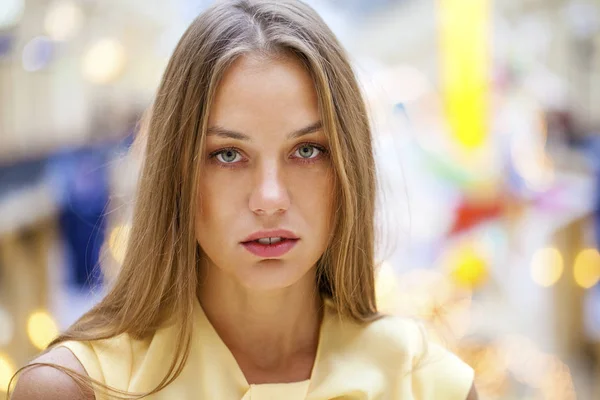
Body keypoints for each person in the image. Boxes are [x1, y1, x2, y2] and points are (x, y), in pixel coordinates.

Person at [10, 0, 477, 398]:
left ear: (348, 168)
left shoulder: (427, 382)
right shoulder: (77, 386)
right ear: (175, 173)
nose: (269, 199)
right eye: (228, 154)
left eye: (307, 150)